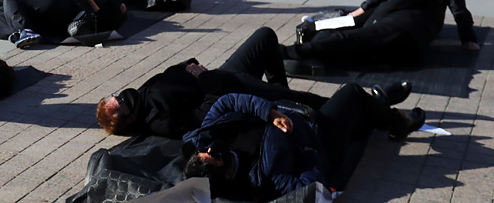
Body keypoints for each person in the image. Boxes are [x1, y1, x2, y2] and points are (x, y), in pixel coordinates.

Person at [182, 85, 425, 200]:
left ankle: (380, 104)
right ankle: (397, 121)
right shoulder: (263, 175)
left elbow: (227, 100)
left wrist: (269, 112)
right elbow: (310, 186)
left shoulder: (206, 137)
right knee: (351, 93)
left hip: (291, 110)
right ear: (225, 173)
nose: (211, 148)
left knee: (356, 114)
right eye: (213, 155)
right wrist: (308, 153)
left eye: (204, 151)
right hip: (320, 136)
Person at [97, 28, 331, 138]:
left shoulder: (139, 96)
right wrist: (205, 78)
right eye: (120, 103)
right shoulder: (158, 120)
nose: (120, 97)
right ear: (129, 118)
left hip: (224, 74)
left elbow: (170, 74)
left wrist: (189, 65)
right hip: (233, 91)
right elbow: (206, 116)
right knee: (311, 101)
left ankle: (280, 96)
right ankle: (329, 109)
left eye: (114, 96)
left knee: (265, 36)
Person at [283, 0, 445, 69]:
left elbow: (394, 2)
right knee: (353, 28)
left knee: (353, 37)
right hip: (404, 27)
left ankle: (293, 52)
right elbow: (384, 0)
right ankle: (315, 33)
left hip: (406, 32)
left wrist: (370, 24)